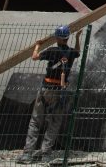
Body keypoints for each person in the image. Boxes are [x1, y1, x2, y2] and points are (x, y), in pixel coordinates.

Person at [18, 25, 81, 164]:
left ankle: (28, 154)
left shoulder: (52, 51)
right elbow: (78, 51)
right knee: (54, 122)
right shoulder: (70, 53)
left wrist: (37, 45)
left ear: (57, 37)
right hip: (60, 91)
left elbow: (34, 57)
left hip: (46, 89)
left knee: (35, 121)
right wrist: (78, 37)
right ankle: (46, 154)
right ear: (67, 37)